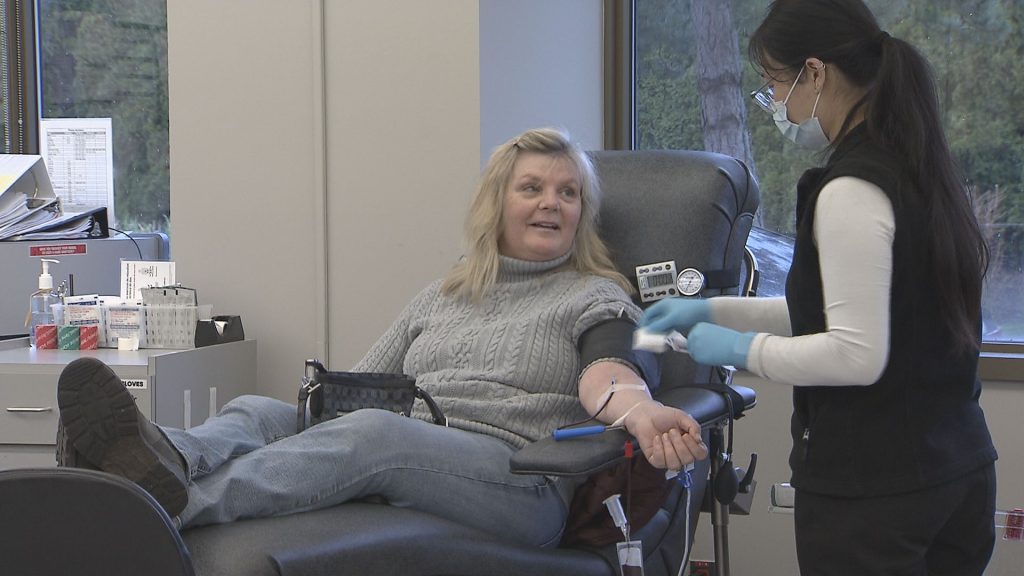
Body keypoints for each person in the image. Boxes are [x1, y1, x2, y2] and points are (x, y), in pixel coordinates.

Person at [56, 127, 708, 546]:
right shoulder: (446, 291)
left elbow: (608, 373)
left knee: (376, 437)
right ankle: (157, 458)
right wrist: (298, 423)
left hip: (519, 482)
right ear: (496, 205)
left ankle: (170, 507)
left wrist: (642, 409)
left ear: (583, 214)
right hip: (421, 449)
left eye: (569, 193)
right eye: (532, 187)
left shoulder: (595, 293)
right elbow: (353, 392)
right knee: (264, 409)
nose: (552, 203)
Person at [641, 1, 997, 574]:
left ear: (814, 72)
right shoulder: (919, 170)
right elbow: (838, 312)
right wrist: (711, 310)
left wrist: (735, 351)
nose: (773, 104)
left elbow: (854, 353)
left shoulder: (850, 190)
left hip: (876, 495)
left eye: (773, 83)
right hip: (955, 474)